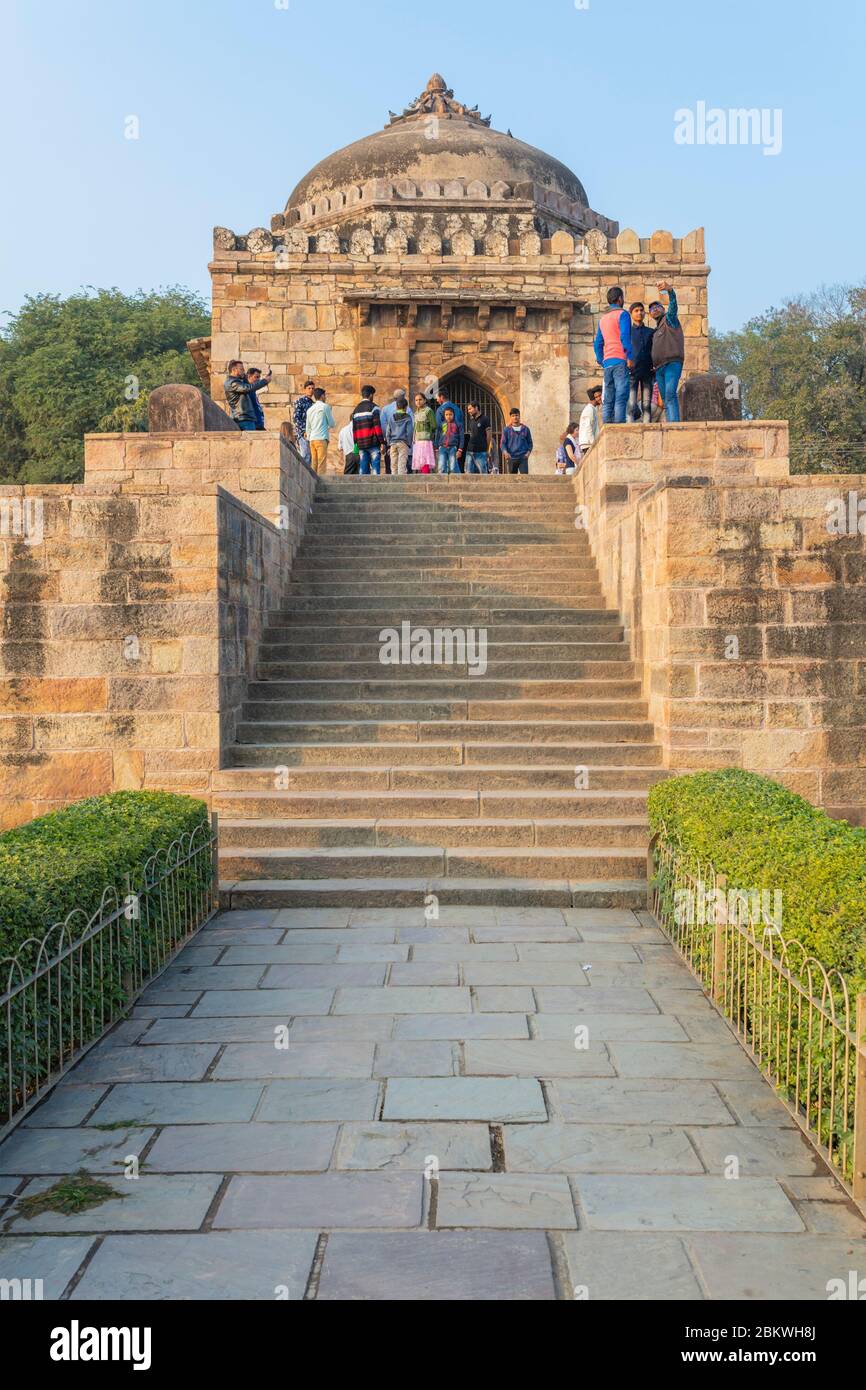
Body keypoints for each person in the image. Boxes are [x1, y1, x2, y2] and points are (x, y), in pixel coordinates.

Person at [593, 287, 633, 424]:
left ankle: (607, 428)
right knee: (621, 396)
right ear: (620, 298)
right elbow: (625, 337)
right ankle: (618, 427)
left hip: (608, 363)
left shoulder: (603, 319)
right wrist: (630, 356)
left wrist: (601, 360)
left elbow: (598, 342)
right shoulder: (623, 314)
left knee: (608, 398)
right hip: (620, 360)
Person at [650, 282, 686, 422]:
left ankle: (674, 426)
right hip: (659, 368)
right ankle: (671, 422)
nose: (655, 309)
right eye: (652, 309)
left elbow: (673, 305)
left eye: (657, 307)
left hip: (671, 363)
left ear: (663, 309)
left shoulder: (669, 319)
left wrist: (670, 291)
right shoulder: (656, 330)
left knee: (670, 394)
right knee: (665, 399)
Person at [224, 360, 272, 431]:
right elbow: (248, 388)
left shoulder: (238, 381)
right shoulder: (232, 382)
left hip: (245, 419)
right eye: (241, 369)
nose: (243, 371)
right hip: (243, 419)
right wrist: (265, 381)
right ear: (234, 370)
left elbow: (248, 385)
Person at [628, 303, 655, 424]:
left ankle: (647, 426)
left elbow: (655, 349)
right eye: (636, 311)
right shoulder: (628, 332)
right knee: (632, 403)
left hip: (648, 371)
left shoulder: (650, 332)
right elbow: (624, 348)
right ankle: (629, 426)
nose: (639, 313)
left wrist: (655, 365)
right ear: (631, 313)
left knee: (646, 403)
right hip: (632, 371)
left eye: (641, 310)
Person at [351, 385, 384, 476]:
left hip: (361, 443)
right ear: (370, 395)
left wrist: (355, 443)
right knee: (375, 468)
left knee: (363, 467)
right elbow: (377, 427)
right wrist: (382, 441)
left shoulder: (356, 410)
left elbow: (354, 429)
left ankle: (361, 488)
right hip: (373, 442)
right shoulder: (374, 408)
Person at [304, 387, 336, 474]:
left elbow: (308, 427)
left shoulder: (310, 409)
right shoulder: (325, 407)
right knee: (321, 463)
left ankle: (312, 483)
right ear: (322, 396)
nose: (325, 397)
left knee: (314, 463)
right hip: (321, 438)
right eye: (325, 396)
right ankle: (321, 484)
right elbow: (332, 423)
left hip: (312, 440)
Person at [385, 394, 414, 475]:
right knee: (402, 462)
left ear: (396, 407)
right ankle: (401, 480)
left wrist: (388, 443)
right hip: (403, 443)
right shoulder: (408, 417)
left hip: (393, 443)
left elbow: (388, 432)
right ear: (406, 407)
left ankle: (394, 479)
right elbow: (410, 432)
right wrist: (409, 443)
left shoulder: (391, 417)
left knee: (393, 463)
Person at [501, 408, 533, 474]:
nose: (515, 417)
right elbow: (503, 443)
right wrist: (505, 453)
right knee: (512, 480)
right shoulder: (506, 430)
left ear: (519, 416)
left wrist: (528, 454)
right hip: (511, 458)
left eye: (517, 415)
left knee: (524, 479)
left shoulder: (525, 429)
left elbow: (530, 443)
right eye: (513, 416)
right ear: (510, 417)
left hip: (523, 458)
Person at [463, 401, 492, 474]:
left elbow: (489, 435)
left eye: (470, 409)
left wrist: (487, 449)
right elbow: (471, 435)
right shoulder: (471, 421)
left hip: (481, 451)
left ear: (476, 408)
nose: (468, 411)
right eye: (468, 409)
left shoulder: (485, 419)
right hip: (469, 451)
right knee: (468, 472)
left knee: (483, 472)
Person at [412, 392, 437, 474]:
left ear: (425, 400)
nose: (418, 402)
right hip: (417, 440)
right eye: (416, 400)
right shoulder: (416, 413)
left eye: (420, 399)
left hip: (426, 440)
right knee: (419, 460)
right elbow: (415, 428)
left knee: (425, 459)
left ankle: (425, 477)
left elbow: (433, 425)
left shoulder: (428, 411)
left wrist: (430, 436)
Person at [292, 380, 316, 464]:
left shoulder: (313, 403)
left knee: (311, 457)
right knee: (305, 455)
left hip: (312, 433)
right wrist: (303, 431)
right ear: (305, 389)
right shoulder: (300, 401)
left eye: (313, 388)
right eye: (309, 388)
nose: (311, 390)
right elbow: (296, 418)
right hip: (303, 433)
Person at [437, 408, 462, 474]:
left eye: (450, 414)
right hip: (442, 447)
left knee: (453, 467)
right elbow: (437, 436)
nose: (448, 416)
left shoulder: (458, 425)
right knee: (441, 466)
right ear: (444, 415)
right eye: (446, 414)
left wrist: (460, 449)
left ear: (454, 415)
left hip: (453, 448)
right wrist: (437, 447)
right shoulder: (441, 424)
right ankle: (442, 482)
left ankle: (455, 482)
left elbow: (462, 438)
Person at [578, 385, 602, 452]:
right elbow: (588, 427)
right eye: (597, 396)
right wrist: (593, 443)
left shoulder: (593, 409)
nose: (600, 398)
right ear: (594, 398)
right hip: (588, 443)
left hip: (588, 442)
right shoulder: (589, 409)